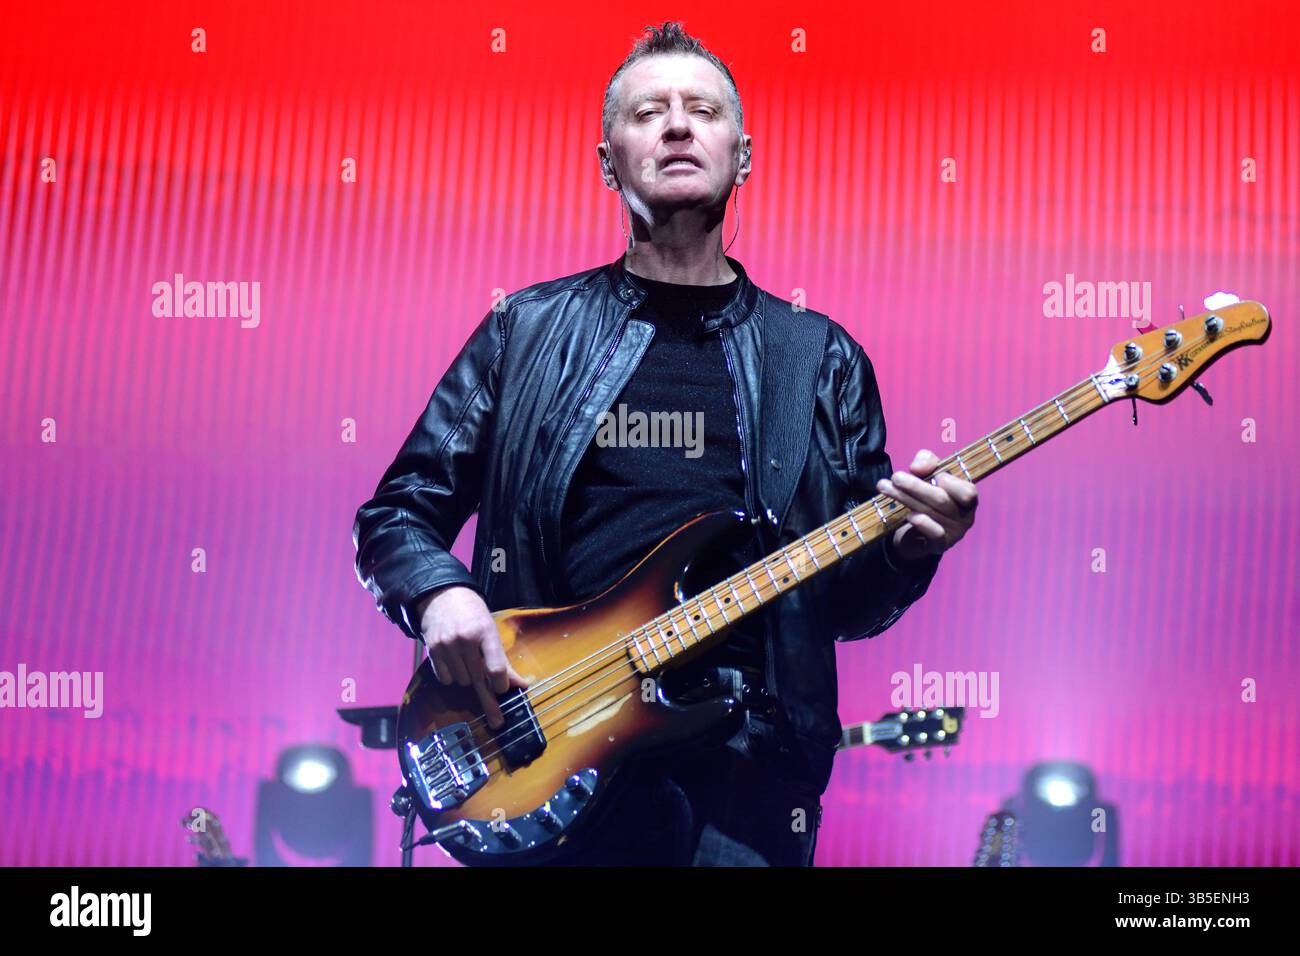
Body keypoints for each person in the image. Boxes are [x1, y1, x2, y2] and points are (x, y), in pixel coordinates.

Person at [353, 21, 978, 866]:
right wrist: (439, 598)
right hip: (550, 755)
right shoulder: (525, 331)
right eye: (650, 112)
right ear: (609, 160)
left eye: (703, 110)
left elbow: (842, 607)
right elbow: (398, 514)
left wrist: (910, 550)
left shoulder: (820, 359)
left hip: (748, 780)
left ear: (743, 155)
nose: (679, 126)